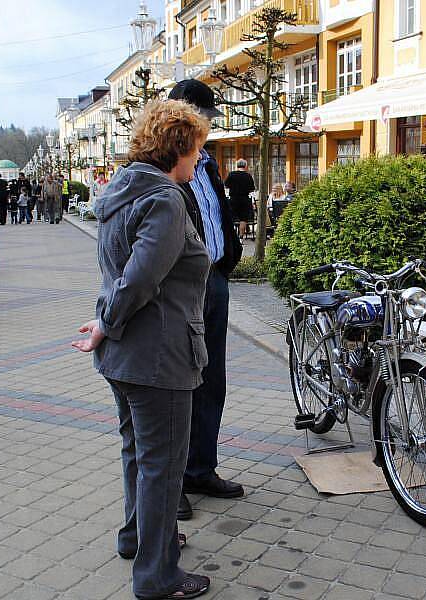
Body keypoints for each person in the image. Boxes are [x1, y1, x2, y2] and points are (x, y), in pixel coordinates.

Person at [72, 99, 213, 600]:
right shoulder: (166, 200)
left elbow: (120, 273)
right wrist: (107, 322)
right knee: (162, 466)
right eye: (197, 150)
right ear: (178, 148)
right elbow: (137, 280)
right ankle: (158, 577)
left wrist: (106, 325)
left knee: (138, 452)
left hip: (126, 356)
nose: (200, 161)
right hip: (160, 357)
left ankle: (137, 538)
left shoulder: (120, 193)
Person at [168, 79, 244, 521]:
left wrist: (228, 258)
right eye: (203, 118)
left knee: (212, 379)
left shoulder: (209, 163)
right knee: (181, 384)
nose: (208, 127)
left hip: (214, 280)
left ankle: (201, 469)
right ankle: (173, 482)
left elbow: (217, 212)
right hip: (182, 288)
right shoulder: (162, 166)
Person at [224, 158, 255, 239]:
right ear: (245, 166)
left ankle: (232, 235)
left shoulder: (231, 174)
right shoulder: (248, 176)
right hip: (244, 199)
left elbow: (226, 185)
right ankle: (241, 236)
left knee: (231, 217)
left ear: (237, 165)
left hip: (233, 199)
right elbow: (252, 188)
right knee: (243, 218)